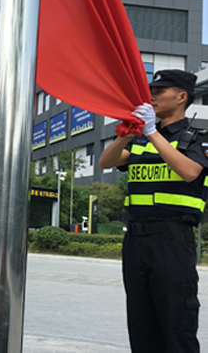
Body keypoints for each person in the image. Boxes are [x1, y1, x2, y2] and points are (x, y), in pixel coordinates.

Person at [99, 69, 208, 353]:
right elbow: (105, 162)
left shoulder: (197, 139)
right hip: (136, 239)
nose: (152, 97)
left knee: (177, 322)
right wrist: (126, 135)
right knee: (141, 322)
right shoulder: (141, 140)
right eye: (152, 92)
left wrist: (151, 132)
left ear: (181, 97)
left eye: (160, 91)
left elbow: (189, 172)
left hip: (172, 239)